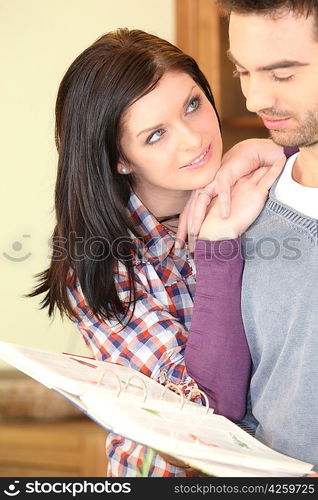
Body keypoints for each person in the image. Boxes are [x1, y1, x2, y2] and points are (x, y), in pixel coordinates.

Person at [27, 28, 285, 477]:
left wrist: (286, 150)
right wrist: (218, 244)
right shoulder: (103, 267)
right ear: (119, 158)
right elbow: (204, 412)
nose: (193, 139)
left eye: (192, 104)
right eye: (155, 135)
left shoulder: (257, 186)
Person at [184, 0, 318, 469]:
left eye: (282, 74)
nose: (255, 99)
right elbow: (223, 410)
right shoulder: (247, 208)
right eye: (242, 71)